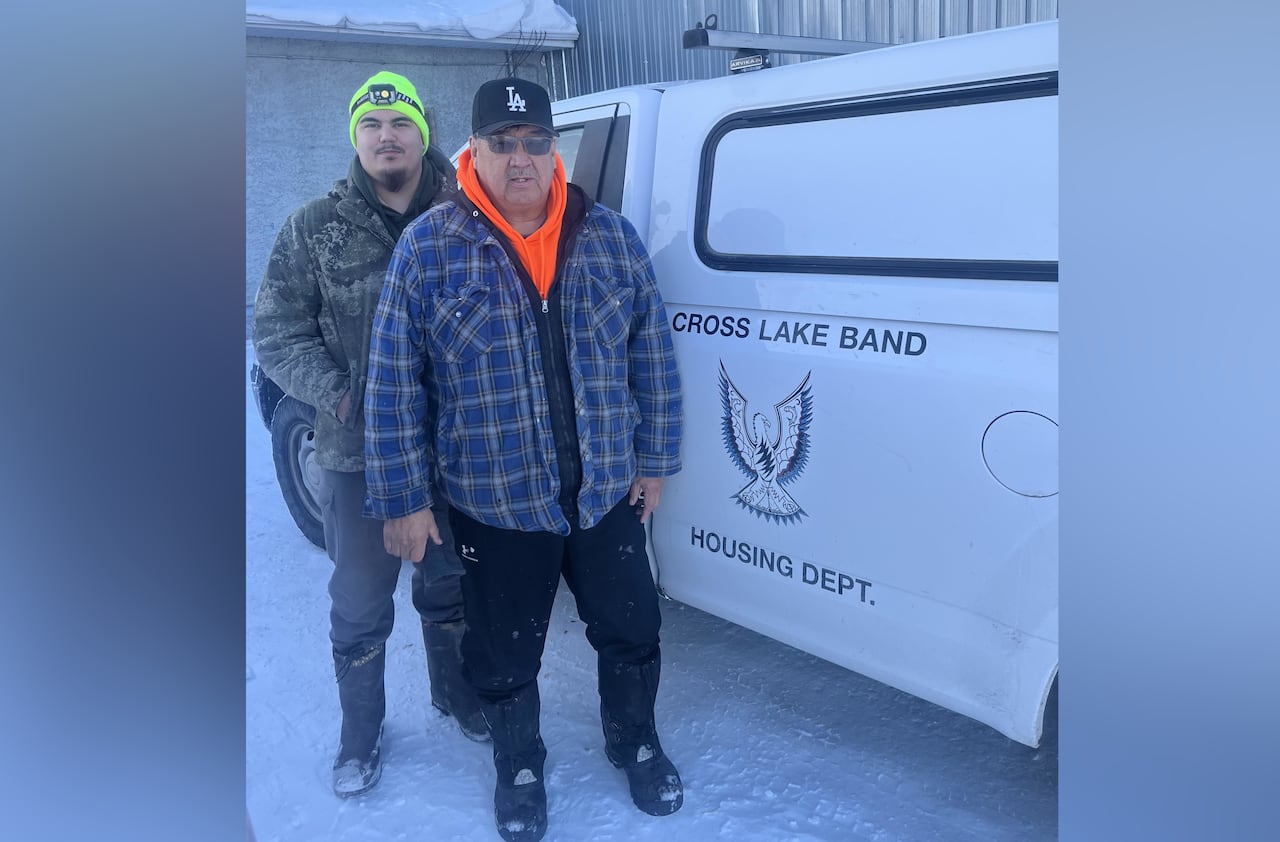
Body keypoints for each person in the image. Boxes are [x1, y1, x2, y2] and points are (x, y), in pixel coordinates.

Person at [364, 77, 685, 841]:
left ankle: (634, 739)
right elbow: (391, 382)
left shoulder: (607, 235)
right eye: (501, 144)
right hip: (497, 501)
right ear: (472, 150)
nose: (520, 159)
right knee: (505, 657)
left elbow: (654, 354)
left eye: (535, 143)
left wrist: (656, 459)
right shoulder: (431, 246)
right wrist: (404, 498)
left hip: (605, 491)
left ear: (554, 150)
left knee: (633, 628)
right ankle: (519, 765)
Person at [252, 70, 489, 800]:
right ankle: (361, 732)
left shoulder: (466, 217)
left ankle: (456, 694)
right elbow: (275, 331)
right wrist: (341, 395)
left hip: (454, 453)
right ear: (356, 137)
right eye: (371, 124)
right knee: (359, 599)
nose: (387, 136)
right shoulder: (311, 229)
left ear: (424, 132)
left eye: (400, 122)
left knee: (449, 584)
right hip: (356, 456)